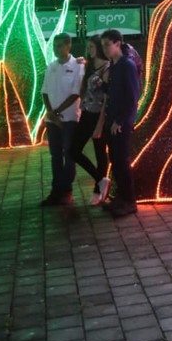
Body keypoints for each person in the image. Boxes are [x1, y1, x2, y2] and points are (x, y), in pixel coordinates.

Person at [101, 29, 141, 216]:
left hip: (120, 123)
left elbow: (132, 97)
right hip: (112, 121)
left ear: (118, 44)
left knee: (122, 162)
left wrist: (121, 120)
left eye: (108, 44)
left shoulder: (127, 65)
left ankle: (129, 201)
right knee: (115, 162)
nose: (105, 49)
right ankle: (121, 198)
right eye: (103, 45)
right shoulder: (114, 66)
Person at [41, 33, 84, 205]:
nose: (57, 49)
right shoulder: (51, 66)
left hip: (69, 119)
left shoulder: (78, 66)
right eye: (55, 46)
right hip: (52, 119)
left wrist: (57, 111)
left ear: (68, 46)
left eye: (60, 45)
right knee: (55, 155)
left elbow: (76, 93)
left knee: (69, 154)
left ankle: (66, 190)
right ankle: (56, 190)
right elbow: (44, 91)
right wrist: (51, 112)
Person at [72, 35, 110, 205]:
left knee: (100, 152)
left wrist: (100, 123)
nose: (90, 50)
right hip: (86, 112)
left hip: (98, 115)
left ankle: (98, 190)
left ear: (100, 48)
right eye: (88, 47)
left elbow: (107, 99)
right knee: (73, 150)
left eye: (93, 47)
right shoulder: (88, 66)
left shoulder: (107, 68)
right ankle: (101, 180)